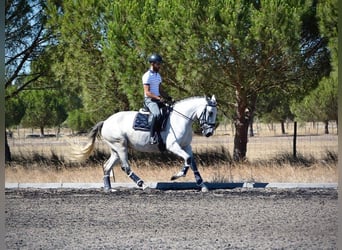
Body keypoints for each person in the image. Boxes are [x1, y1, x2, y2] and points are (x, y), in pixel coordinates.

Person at [142, 53, 171, 144]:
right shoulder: (147, 76)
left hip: (157, 99)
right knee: (157, 114)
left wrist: (169, 97)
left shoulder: (158, 76)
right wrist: (158, 98)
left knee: (170, 110)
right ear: (152, 64)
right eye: (158, 64)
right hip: (150, 100)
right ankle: (152, 136)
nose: (160, 66)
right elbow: (147, 92)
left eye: (160, 64)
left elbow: (160, 90)